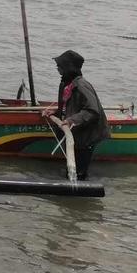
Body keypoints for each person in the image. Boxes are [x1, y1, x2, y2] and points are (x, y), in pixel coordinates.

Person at [45, 50, 110, 180]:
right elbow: (67, 106)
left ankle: (80, 185)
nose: (57, 68)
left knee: (80, 171)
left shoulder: (81, 86)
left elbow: (93, 111)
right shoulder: (66, 83)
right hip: (78, 133)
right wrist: (56, 112)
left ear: (68, 68)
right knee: (73, 165)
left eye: (60, 66)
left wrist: (70, 120)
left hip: (87, 136)